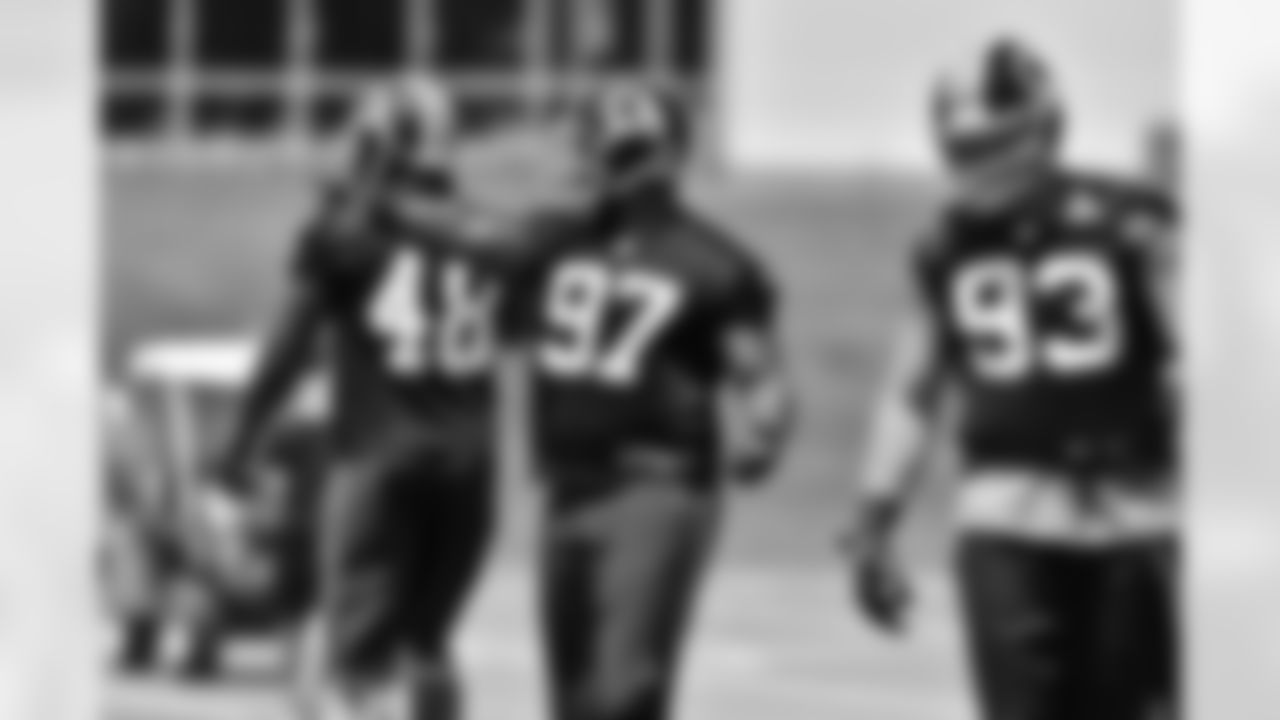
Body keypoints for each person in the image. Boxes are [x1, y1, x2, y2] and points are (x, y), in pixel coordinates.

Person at [843, 38, 1179, 720]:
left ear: (1045, 130)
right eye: (963, 148)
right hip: (1006, 516)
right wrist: (873, 520)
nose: (977, 163)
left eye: (992, 143)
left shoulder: (1134, 224)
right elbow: (912, 391)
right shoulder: (945, 245)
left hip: (1133, 511)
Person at [504, 83, 798, 720]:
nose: (608, 160)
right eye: (601, 144)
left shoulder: (710, 261)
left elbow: (760, 374)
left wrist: (766, 426)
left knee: (626, 691)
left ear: (666, 154)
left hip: (656, 486)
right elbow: (496, 319)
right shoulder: (556, 245)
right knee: (574, 701)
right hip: (566, 489)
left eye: (624, 147)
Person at [214, 75, 499, 720]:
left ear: (380, 146)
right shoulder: (488, 229)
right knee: (427, 645)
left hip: (379, 461)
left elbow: (285, 352)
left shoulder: (346, 233)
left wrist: (239, 443)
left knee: (362, 667)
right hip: (469, 471)